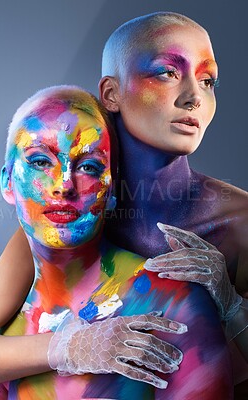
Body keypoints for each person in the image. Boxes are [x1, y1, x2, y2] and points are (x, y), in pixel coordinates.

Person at [0, 86, 232, 399]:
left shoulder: (172, 308)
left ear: (112, 190)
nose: (63, 186)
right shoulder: (5, 317)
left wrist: (235, 311)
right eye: (40, 162)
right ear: (7, 182)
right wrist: (66, 348)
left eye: (89, 167)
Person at [98, 11, 248, 390]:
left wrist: (231, 306)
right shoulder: (68, 211)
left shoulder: (241, 220)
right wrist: (66, 349)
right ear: (112, 94)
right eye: (168, 72)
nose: (194, 98)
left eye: (207, 80)